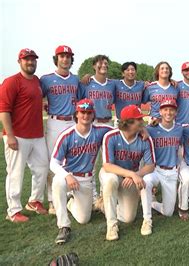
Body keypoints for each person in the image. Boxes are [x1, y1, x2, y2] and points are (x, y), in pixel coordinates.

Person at [50, 99, 113, 244]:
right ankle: (64, 226)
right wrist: (67, 176)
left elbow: (122, 130)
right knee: (57, 182)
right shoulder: (67, 135)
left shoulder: (100, 131)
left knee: (84, 219)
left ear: (93, 115)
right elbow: (53, 163)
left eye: (88, 112)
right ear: (76, 114)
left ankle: (71, 203)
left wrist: (142, 129)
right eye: (82, 112)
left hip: (86, 179)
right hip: (69, 176)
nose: (85, 115)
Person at [0, 48, 49, 222]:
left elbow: (35, 101)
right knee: (15, 173)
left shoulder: (36, 80)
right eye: (27, 59)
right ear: (19, 61)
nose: (30, 62)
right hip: (18, 135)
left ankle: (34, 200)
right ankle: (13, 210)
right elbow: (4, 110)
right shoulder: (11, 82)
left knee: (42, 168)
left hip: (37, 134)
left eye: (33, 59)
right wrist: (10, 135)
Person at [100, 105, 155, 240]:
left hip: (131, 177)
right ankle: (111, 225)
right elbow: (107, 165)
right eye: (138, 120)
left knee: (128, 218)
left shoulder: (144, 138)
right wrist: (131, 174)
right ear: (128, 123)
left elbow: (150, 165)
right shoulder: (111, 136)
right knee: (111, 180)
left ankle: (104, 204)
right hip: (113, 172)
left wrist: (135, 175)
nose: (141, 122)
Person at [40, 45, 80, 214]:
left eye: (68, 56)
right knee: (53, 161)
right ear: (56, 59)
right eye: (62, 56)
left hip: (72, 121)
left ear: (71, 59)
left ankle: (72, 196)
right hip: (55, 122)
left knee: (73, 159)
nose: (65, 59)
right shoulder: (46, 79)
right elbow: (36, 97)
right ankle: (52, 200)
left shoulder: (76, 79)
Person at [141, 100, 183, 229]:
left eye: (171, 110)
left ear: (175, 112)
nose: (168, 112)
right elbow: (137, 127)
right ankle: (147, 219)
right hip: (156, 170)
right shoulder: (152, 129)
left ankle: (153, 203)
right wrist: (144, 128)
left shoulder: (179, 129)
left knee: (168, 212)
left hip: (171, 171)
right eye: (165, 109)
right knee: (146, 181)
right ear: (160, 112)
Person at [79, 55, 116, 126]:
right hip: (92, 122)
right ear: (94, 66)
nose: (104, 65)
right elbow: (78, 102)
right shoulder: (86, 83)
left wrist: (144, 83)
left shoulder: (113, 84)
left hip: (108, 122)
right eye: (101, 63)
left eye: (105, 63)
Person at [114, 62, 145, 126]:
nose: (130, 72)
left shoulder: (142, 85)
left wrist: (170, 80)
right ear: (123, 73)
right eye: (128, 70)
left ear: (136, 72)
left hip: (136, 121)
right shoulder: (116, 84)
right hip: (120, 121)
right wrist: (89, 77)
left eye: (133, 70)